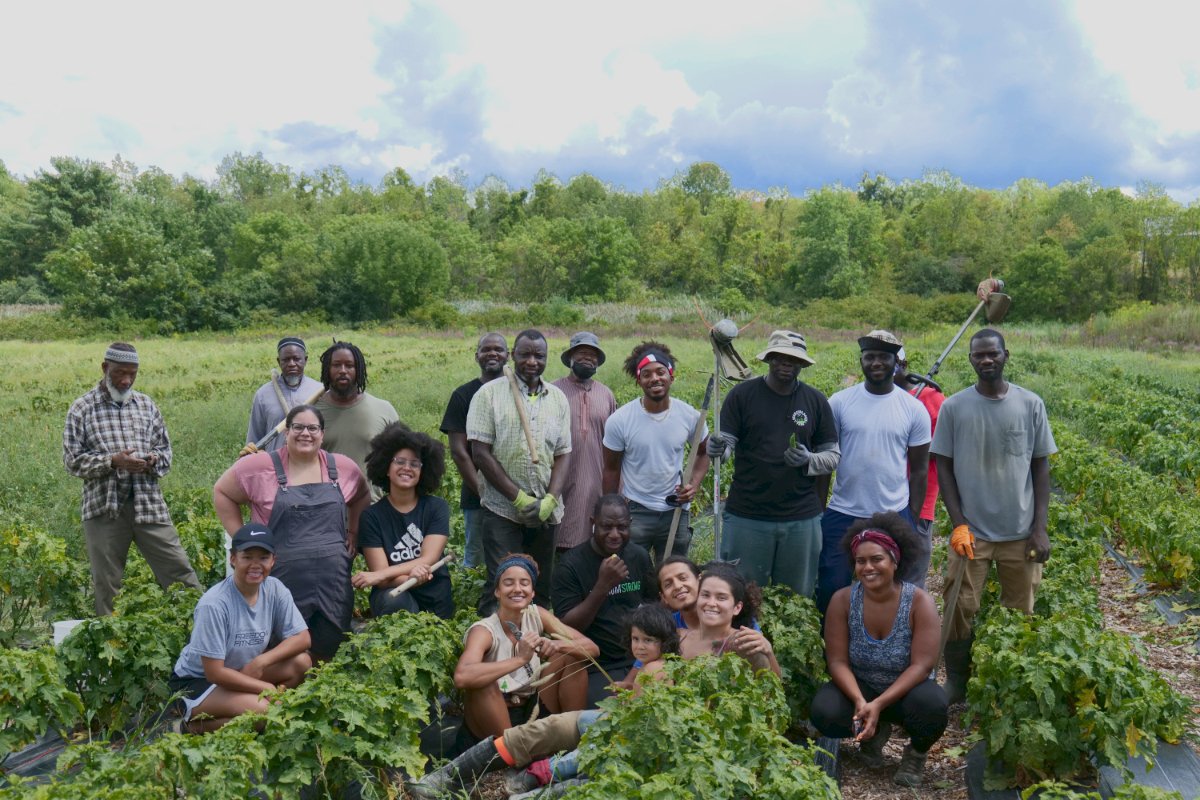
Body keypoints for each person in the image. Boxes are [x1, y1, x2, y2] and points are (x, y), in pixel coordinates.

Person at [932, 329, 1056, 704]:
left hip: (1020, 532)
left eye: (992, 354)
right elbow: (944, 467)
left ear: (1006, 355)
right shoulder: (955, 407)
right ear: (970, 359)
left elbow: (1040, 467)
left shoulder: (1030, 404)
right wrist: (958, 524)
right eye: (978, 355)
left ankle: (1010, 678)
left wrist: (1040, 529)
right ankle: (957, 681)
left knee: (1020, 608)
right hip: (974, 533)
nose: (986, 360)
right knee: (958, 606)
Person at [213, 404, 370, 661]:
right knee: (282, 648)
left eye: (312, 428)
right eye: (297, 427)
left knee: (331, 646)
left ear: (322, 433)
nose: (305, 433)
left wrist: (353, 530)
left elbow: (362, 495)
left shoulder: (341, 467)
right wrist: (244, 540)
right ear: (286, 432)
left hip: (333, 582)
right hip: (282, 579)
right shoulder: (259, 465)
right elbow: (222, 491)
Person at [810, 513, 948, 788]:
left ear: (895, 562)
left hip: (906, 692)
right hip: (862, 687)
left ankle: (916, 752)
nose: (868, 567)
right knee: (824, 710)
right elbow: (837, 662)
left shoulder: (919, 603)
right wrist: (861, 702)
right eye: (861, 561)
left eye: (877, 559)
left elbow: (922, 666)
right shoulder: (844, 600)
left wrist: (879, 704)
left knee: (933, 705)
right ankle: (874, 732)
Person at [63, 342, 201, 615]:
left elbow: (165, 453)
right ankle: (112, 647)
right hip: (105, 508)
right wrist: (113, 461)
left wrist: (151, 460)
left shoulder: (146, 405)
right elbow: (72, 461)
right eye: (119, 373)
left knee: (180, 574)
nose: (126, 380)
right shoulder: (82, 408)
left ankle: (201, 638)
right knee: (107, 586)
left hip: (148, 505)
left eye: (132, 374)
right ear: (105, 368)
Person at [707, 330, 839, 598]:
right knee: (741, 594)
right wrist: (717, 449)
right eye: (778, 357)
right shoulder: (742, 396)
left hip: (800, 517)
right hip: (747, 514)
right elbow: (727, 446)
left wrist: (809, 460)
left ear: (802, 363)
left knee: (797, 597)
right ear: (768, 359)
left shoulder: (815, 401)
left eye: (792, 359)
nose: (785, 363)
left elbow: (832, 455)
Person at [816, 330, 930, 614]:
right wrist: (820, 510)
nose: (876, 362)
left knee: (891, 587)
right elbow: (826, 463)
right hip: (843, 509)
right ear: (861, 360)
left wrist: (912, 518)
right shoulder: (840, 402)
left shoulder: (914, 409)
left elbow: (919, 470)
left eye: (883, 357)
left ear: (896, 362)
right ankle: (830, 651)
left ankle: (885, 647)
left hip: (893, 512)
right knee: (832, 585)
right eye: (870, 357)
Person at [169, 523, 312, 733]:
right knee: (268, 714)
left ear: (273, 560)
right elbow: (214, 673)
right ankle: (190, 727)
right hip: (198, 683)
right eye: (247, 557)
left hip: (242, 670)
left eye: (263, 557)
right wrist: (265, 688)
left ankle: (264, 708)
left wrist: (261, 661)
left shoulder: (274, 589)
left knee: (302, 662)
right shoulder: (215, 604)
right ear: (233, 559)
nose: (256, 564)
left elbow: (303, 638)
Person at [467, 329, 572, 608]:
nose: (532, 362)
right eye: (525, 354)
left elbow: (563, 455)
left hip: (545, 511)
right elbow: (480, 453)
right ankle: (497, 644)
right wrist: (518, 497)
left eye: (539, 355)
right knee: (503, 583)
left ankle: (538, 643)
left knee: (540, 584)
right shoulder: (488, 395)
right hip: (502, 509)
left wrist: (549, 500)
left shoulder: (558, 399)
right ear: (512, 356)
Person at [454, 553, 598, 741]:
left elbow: (592, 649)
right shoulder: (484, 631)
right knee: (483, 682)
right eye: (508, 583)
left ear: (532, 593)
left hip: (532, 706)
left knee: (572, 656)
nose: (517, 589)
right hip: (495, 716)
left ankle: (573, 739)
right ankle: (513, 754)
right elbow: (462, 677)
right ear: (497, 591)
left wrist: (557, 645)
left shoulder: (537, 614)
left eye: (524, 583)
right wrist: (520, 659)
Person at [602, 341, 709, 563]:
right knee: (630, 573)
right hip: (636, 511)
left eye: (661, 372)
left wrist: (693, 485)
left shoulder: (689, 416)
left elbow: (703, 452)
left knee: (672, 574)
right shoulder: (620, 421)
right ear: (638, 380)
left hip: (676, 510)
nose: (655, 379)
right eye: (647, 374)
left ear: (671, 376)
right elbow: (611, 468)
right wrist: (612, 512)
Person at [551, 494, 659, 702]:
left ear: (630, 525)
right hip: (597, 664)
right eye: (607, 527)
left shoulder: (639, 556)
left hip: (640, 658)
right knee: (608, 713)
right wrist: (602, 587)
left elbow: (653, 606)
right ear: (593, 524)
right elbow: (566, 627)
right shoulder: (570, 565)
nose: (615, 534)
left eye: (622, 527)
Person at [351, 423, 455, 619]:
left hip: (435, 593)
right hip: (393, 591)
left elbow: (428, 559)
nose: (407, 468)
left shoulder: (436, 507)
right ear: (386, 468)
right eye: (400, 462)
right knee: (394, 601)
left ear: (423, 471)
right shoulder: (371, 516)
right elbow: (382, 580)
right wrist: (411, 579)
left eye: (414, 464)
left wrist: (379, 575)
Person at [440, 333, 509, 569]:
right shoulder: (463, 395)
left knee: (510, 556)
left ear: (508, 356)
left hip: (515, 493)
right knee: (476, 558)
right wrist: (482, 492)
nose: (492, 353)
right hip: (477, 497)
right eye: (486, 349)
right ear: (476, 356)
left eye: (498, 349)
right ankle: (471, 603)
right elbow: (459, 452)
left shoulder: (517, 393)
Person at [552, 332, 617, 553]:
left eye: (592, 355)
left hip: (597, 476)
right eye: (581, 354)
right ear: (570, 358)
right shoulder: (553, 391)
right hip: (560, 475)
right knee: (559, 531)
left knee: (594, 534)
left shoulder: (606, 394)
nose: (587, 359)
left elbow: (615, 442)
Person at [313, 341, 400, 487]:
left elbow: (400, 458)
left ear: (358, 369)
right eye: (336, 365)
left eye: (349, 365)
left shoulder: (384, 410)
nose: (342, 370)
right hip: (326, 506)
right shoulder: (311, 413)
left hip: (372, 505)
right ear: (327, 369)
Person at [893, 346, 945, 586]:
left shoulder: (931, 398)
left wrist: (912, 446)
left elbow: (944, 447)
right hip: (878, 501)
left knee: (911, 579)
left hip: (917, 502)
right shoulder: (874, 399)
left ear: (903, 365)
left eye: (891, 362)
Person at [677, 562, 781, 676]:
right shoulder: (679, 637)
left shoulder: (743, 644)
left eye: (721, 598)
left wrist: (769, 653)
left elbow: (771, 689)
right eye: (705, 595)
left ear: (737, 607)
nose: (711, 603)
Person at [241, 337, 323, 455]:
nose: (291, 364)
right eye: (286, 360)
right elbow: (254, 440)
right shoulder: (263, 395)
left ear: (305, 360)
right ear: (279, 362)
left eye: (296, 359)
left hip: (310, 465)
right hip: (274, 467)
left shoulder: (318, 391)